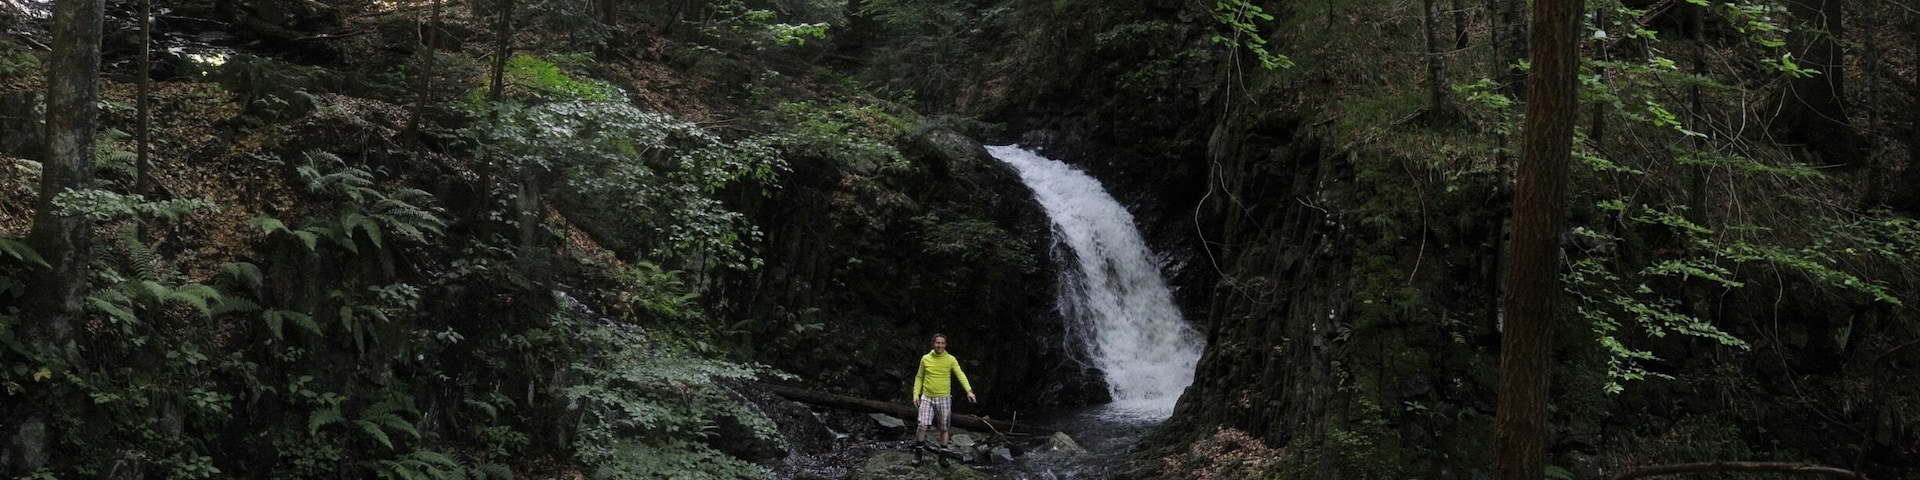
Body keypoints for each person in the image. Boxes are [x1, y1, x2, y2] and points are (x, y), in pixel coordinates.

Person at [911, 333, 976, 465]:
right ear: (933, 344)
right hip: (927, 397)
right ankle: (918, 453)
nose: (939, 345)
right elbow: (919, 377)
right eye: (937, 343)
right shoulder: (925, 359)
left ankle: (943, 455)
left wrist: (969, 391)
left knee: (944, 428)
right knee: (922, 425)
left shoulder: (950, 359)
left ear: (945, 345)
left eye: (942, 343)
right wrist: (915, 394)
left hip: (944, 398)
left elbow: (960, 374)